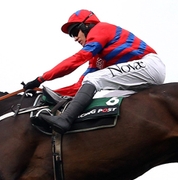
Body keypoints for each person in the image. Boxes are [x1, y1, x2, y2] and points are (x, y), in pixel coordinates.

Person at [24, 9, 166, 133]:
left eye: (74, 32)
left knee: (94, 79)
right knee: (108, 101)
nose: (74, 38)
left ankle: (65, 119)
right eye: (71, 35)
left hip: (150, 65)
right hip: (140, 75)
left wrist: (41, 78)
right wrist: (43, 93)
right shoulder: (98, 58)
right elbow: (79, 87)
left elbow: (78, 59)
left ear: (86, 25)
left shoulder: (100, 29)